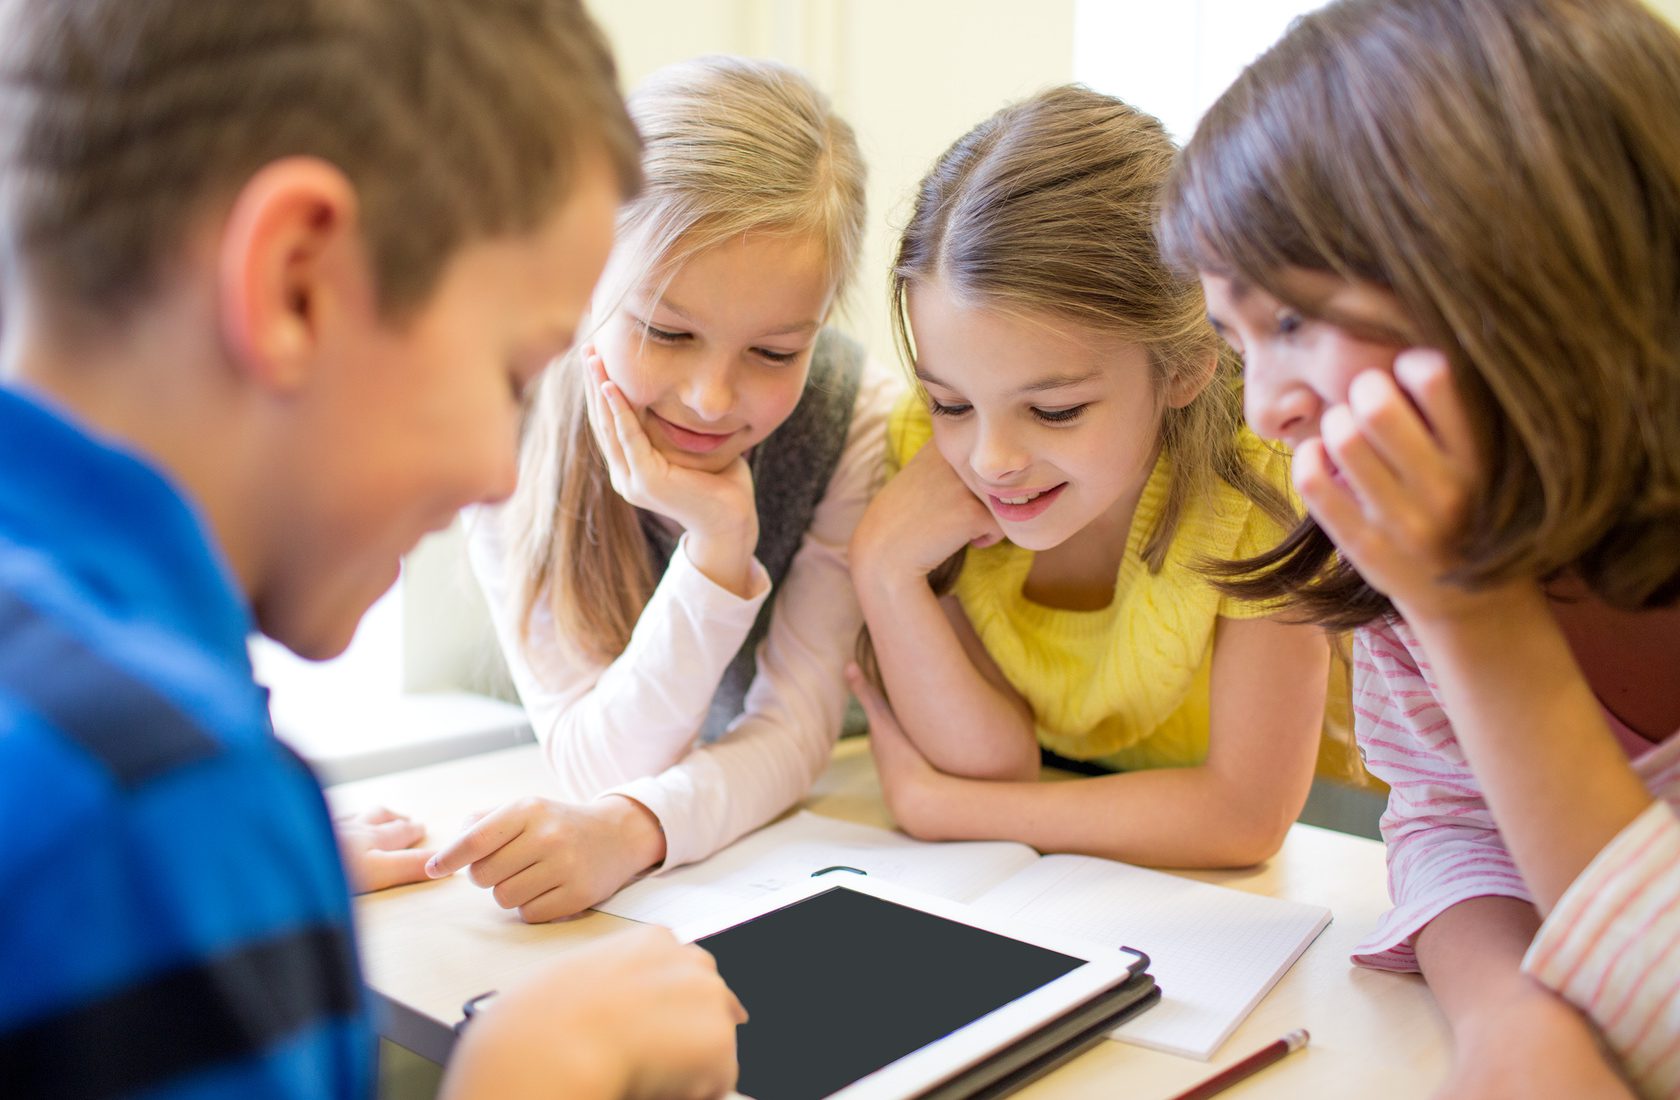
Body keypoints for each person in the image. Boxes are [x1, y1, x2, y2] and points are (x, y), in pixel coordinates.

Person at [0, 2, 744, 1097]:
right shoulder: (163, 801)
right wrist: (532, 1073)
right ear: (297, 282)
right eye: (513, 377)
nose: (502, 471)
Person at [1158, 0, 1680, 1094]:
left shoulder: (1441, 575)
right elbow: (1449, 820)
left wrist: (1473, 615)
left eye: (1294, 321)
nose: (1266, 412)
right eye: (1237, 342)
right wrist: (1508, 1011)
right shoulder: (1403, 558)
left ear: (1521, 267)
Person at [428, 55, 896, 921]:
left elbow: (797, 734)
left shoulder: (858, 418)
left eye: (775, 352)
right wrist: (716, 553)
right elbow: (596, 766)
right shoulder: (509, 420)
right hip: (719, 847)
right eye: (665, 330)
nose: (711, 399)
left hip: (828, 829)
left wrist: (636, 830)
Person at [845, 85, 1329, 869]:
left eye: (1056, 411)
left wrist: (946, 808)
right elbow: (994, 761)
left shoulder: (1265, 475)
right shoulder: (927, 458)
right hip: (1066, 867)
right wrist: (881, 567)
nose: (990, 459)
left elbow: (1246, 819)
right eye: (951, 402)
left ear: (1185, 368)